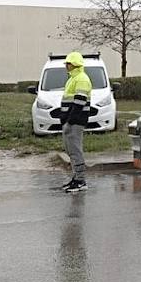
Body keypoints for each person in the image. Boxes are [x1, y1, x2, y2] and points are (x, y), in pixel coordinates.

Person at [56, 52, 94, 193]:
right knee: (70, 150)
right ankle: (76, 178)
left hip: (75, 122)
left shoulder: (82, 79)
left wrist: (69, 122)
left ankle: (81, 180)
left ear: (75, 64)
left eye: (68, 63)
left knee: (75, 150)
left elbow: (79, 104)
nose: (66, 66)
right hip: (70, 121)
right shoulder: (73, 78)